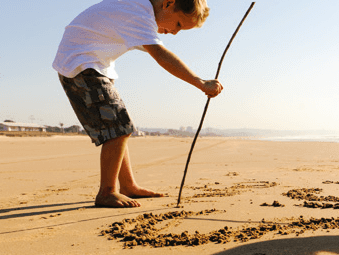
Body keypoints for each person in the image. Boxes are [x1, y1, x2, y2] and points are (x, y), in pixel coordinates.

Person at [53, 0, 223, 208]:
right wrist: (200, 82)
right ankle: (107, 192)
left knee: (118, 130)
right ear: (168, 4)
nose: (174, 32)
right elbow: (161, 55)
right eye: (178, 24)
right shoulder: (138, 13)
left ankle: (128, 185)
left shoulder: (138, 8)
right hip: (81, 65)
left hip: (93, 65)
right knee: (119, 128)